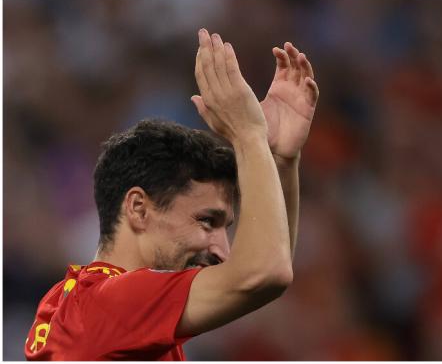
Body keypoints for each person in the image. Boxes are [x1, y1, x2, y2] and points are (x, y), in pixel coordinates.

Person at [24, 28, 319, 360]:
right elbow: (262, 275)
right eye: (207, 221)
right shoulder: (114, 305)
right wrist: (248, 132)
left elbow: (265, 271)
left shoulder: (91, 306)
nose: (223, 251)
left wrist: (280, 157)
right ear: (138, 208)